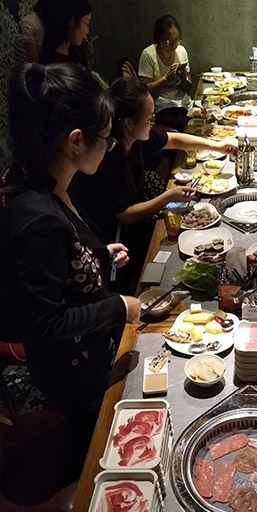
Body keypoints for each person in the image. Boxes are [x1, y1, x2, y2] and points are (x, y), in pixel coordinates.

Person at [0, 62, 141, 441]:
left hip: (92, 351)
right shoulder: (36, 217)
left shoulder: (54, 184)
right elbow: (44, 323)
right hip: (75, 375)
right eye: (107, 138)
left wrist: (97, 256)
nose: (110, 147)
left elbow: (61, 260)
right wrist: (120, 307)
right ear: (76, 141)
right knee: (106, 442)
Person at [75, 76, 237, 291]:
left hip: (135, 221)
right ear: (129, 123)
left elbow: (175, 139)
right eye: (150, 118)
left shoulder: (134, 138)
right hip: (116, 241)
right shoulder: (107, 158)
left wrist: (217, 146)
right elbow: (125, 215)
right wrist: (169, 196)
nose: (153, 123)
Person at [138, 15, 192, 131]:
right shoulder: (148, 54)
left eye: (177, 39)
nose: (174, 45)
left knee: (202, 120)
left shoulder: (181, 51)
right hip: (162, 105)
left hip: (184, 103)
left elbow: (188, 87)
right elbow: (145, 90)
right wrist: (165, 78)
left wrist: (183, 78)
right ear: (158, 37)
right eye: (169, 41)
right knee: (186, 126)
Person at [39, 0, 93, 70]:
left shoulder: (76, 52)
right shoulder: (54, 66)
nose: (87, 31)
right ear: (72, 21)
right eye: (86, 24)